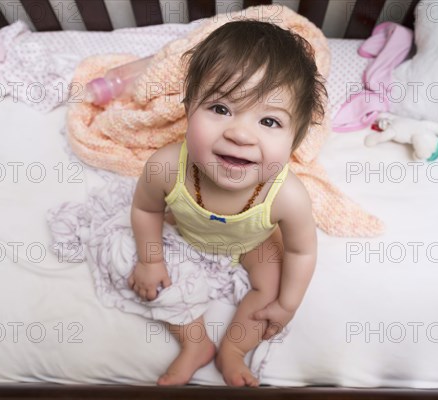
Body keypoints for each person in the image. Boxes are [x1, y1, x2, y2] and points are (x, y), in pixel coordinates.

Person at [128, 19, 325, 387]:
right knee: (133, 261)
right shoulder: (167, 166)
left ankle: (233, 352)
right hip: (184, 233)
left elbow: (301, 252)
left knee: (271, 287)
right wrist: (150, 259)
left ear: (295, 141)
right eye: (220, 109)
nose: (239, 133)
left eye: (269, 120)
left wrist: (288, 304)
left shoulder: (287, 196)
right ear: (188, 108)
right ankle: (194, 343)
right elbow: (146, 210)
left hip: (253, 244)